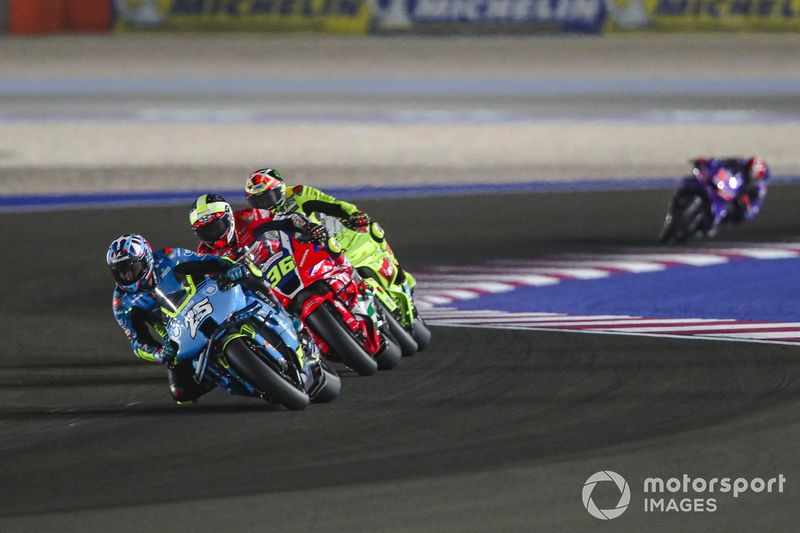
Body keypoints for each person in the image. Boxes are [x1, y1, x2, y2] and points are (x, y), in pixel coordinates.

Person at [107, 233, 250, 403]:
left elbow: (207, 261)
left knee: (247, 277)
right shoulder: (122, 302)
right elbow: (138, 342)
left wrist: (228, 267)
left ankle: (277, 306)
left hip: (207, 300)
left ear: (146, 259)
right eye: (122, 273)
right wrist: (161, 353)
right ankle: (226, 376)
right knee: (181, 392)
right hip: (179, 335)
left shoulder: (169, 256)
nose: (128, 276)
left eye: (132, 268)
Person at [243, 168, 414, 287]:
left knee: (373, 229)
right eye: (258, 201)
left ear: (280, 189)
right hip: (298, 262)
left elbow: (334, 205)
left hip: (324, 245)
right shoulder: (256, 220)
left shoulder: (298, 194)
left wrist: (352, 215)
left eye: (268, 198)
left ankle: (397, 269)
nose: (265, 205)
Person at [189, 193, 333, 263]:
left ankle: (349, 276)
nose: (212, 233)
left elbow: (284, 218)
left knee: (323, 245)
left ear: (228, 217)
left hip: (285, 265)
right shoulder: (204, 254)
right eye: (204, 230)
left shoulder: (248, 217)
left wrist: (308, 227)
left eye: (215, 226)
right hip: (257, 294)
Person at [693, 156, 770, 223]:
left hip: (736, 200)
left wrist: (746, 206)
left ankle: (717, 221)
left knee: (740, 217)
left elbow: (754, 210)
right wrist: (708, 162)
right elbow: (722, 162)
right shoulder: (741, 163)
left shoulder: (760, 189)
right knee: (701, 176)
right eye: (748, 171)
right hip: (723, 186)